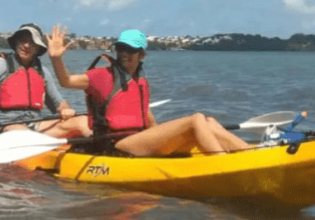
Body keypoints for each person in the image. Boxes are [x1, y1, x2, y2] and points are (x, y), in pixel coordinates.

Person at [47, 25, 251, 156]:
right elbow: (67, 81)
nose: (124, 54)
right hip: (116, 144)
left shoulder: (140, 80)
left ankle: (251, 154)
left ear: (142, 54)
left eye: (131, 50)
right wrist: (56, 58)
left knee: (210, 123)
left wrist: (164, 136)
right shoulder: (102, 75)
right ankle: (223, 163)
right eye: (121, 49)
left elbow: (145, 114)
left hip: (139, 139)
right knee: (196, 119)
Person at [0, 23, 90, 138]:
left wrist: (65, 109)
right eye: (23, 40)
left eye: (32, 43)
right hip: (6, 125)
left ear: (38, 49)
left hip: (36, 124)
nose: (26, 45)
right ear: (15, 43)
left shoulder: (42, 72)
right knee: (23, 133)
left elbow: (59, 103)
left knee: (83, 121)